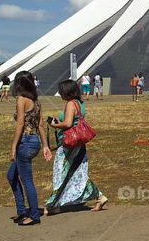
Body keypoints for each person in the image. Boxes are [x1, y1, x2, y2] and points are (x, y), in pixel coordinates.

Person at [45, 79, 108, 214]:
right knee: (77, 173)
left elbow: (68, 124)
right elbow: (74, 121)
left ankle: (53, 205)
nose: (60, 94)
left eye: (61, 91)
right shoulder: (80, 103)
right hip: (78, 143)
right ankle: (99, 197)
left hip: (69, 144)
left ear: (67, 91)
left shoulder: (70, 104)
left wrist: (55, 125)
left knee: (61, 172)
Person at [7, 71, 52, 226]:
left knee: (27, 180)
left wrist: (13, 146)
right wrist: (45, 145)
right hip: (34, 141)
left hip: (24, 142)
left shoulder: (21, 99)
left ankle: (33, 215)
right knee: (11, 176)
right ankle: (22, 210)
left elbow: (20, 123)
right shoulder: (36, 101)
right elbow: (40, 125)